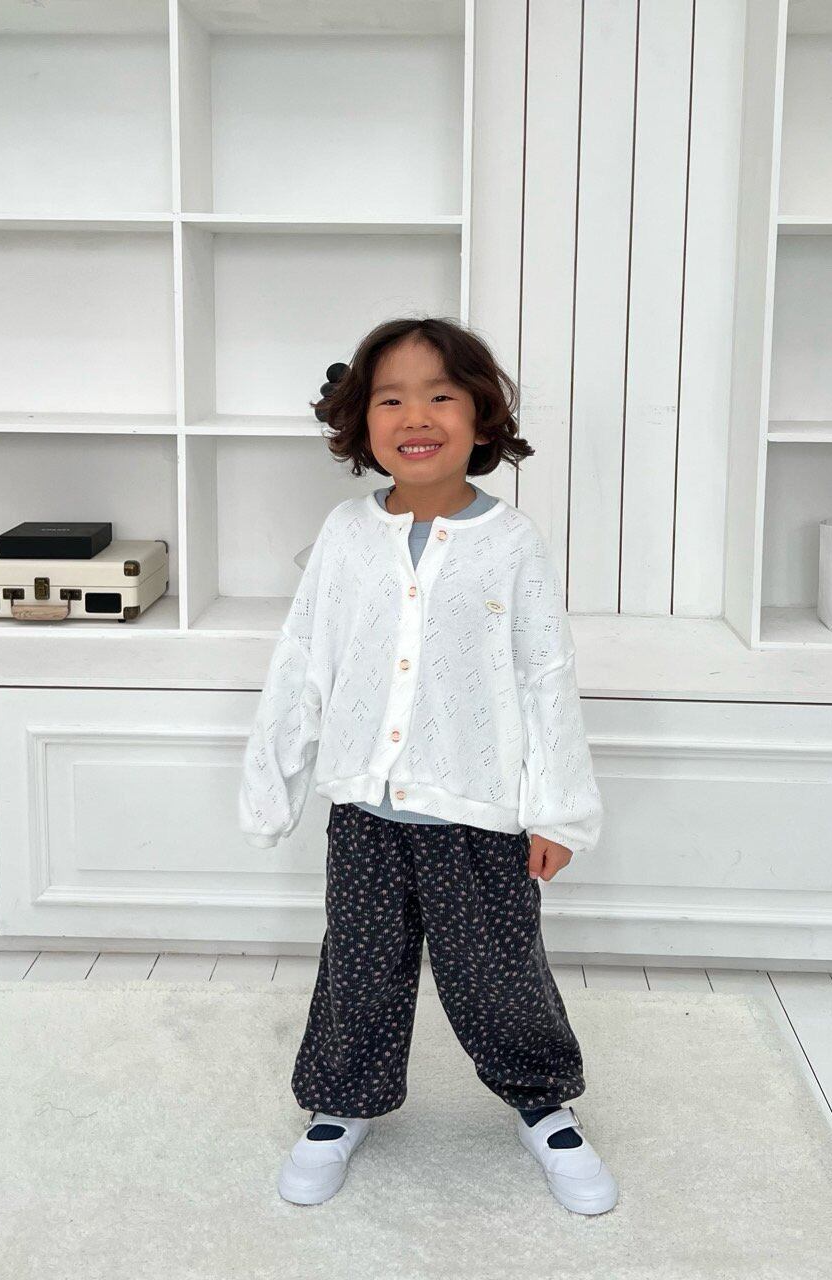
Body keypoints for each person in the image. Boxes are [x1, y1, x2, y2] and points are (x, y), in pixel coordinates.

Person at [237, 316, 615, 1215]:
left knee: (499, 974)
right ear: (361, 422)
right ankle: (341, 1104)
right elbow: (303, 661)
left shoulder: (511, 542)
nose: (416, 416)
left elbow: (545, 677)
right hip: (366, 812)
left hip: (478, 815)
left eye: (441, 395)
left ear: (480, 416)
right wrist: (272, 786)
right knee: (359, 968)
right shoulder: (345, 535)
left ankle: (541, 1103)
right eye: (391, 399)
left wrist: (558, 811)